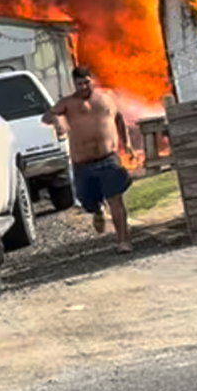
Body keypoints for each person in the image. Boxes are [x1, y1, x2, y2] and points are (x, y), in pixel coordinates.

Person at [42, 66, 137, 253]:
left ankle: (123, 241)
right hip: (82, 164)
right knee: (87, 200)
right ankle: (97, 210)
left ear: (92, 79)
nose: (84, 87)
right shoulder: (67, 103)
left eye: (87, 82)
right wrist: (57, 119)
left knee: (115, 200)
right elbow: (47, 116)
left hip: (108, 159)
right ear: (74, 84)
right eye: (79, 84)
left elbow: (118, 119)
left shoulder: (107, 98)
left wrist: (126, 144)